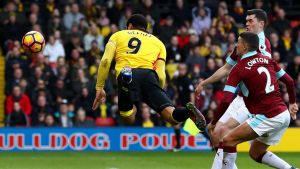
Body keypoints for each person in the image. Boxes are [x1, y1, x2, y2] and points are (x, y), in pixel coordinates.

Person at [92, 14, 206, 130]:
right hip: (149, 76)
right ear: (145, 28)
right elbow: (161, 75)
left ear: (130, 26)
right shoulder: (159, 43)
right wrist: (158, 95)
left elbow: (105, 61)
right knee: (171, 117)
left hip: (127, 73)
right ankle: (187, 111)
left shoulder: (117, 35)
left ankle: (126, 86)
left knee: (128, 118)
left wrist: (99, 87)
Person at [210, 32, 298, 169]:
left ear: (244, 46)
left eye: (238, 42)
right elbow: (289, 81)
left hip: (268, 116)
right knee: (256, 153)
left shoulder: (239, 68)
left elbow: (226, 100)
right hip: (283, 114)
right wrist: (292, 102)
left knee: (228, 140)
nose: (235, 45)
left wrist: (214, 122)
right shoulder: (268, 60)